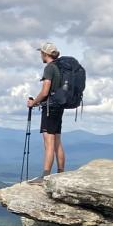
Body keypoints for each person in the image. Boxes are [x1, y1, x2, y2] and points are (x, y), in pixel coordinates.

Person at [27, 41, 66, 180]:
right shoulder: (61, 68)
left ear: (45, 54)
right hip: (59, 106)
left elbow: (45, 91)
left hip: (50, 108)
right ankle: (61, 173)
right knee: (57, 141)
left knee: (48, 142)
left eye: (41, 53)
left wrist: (33, 103)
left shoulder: (49, 68)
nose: (40, 56)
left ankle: (45, 176)